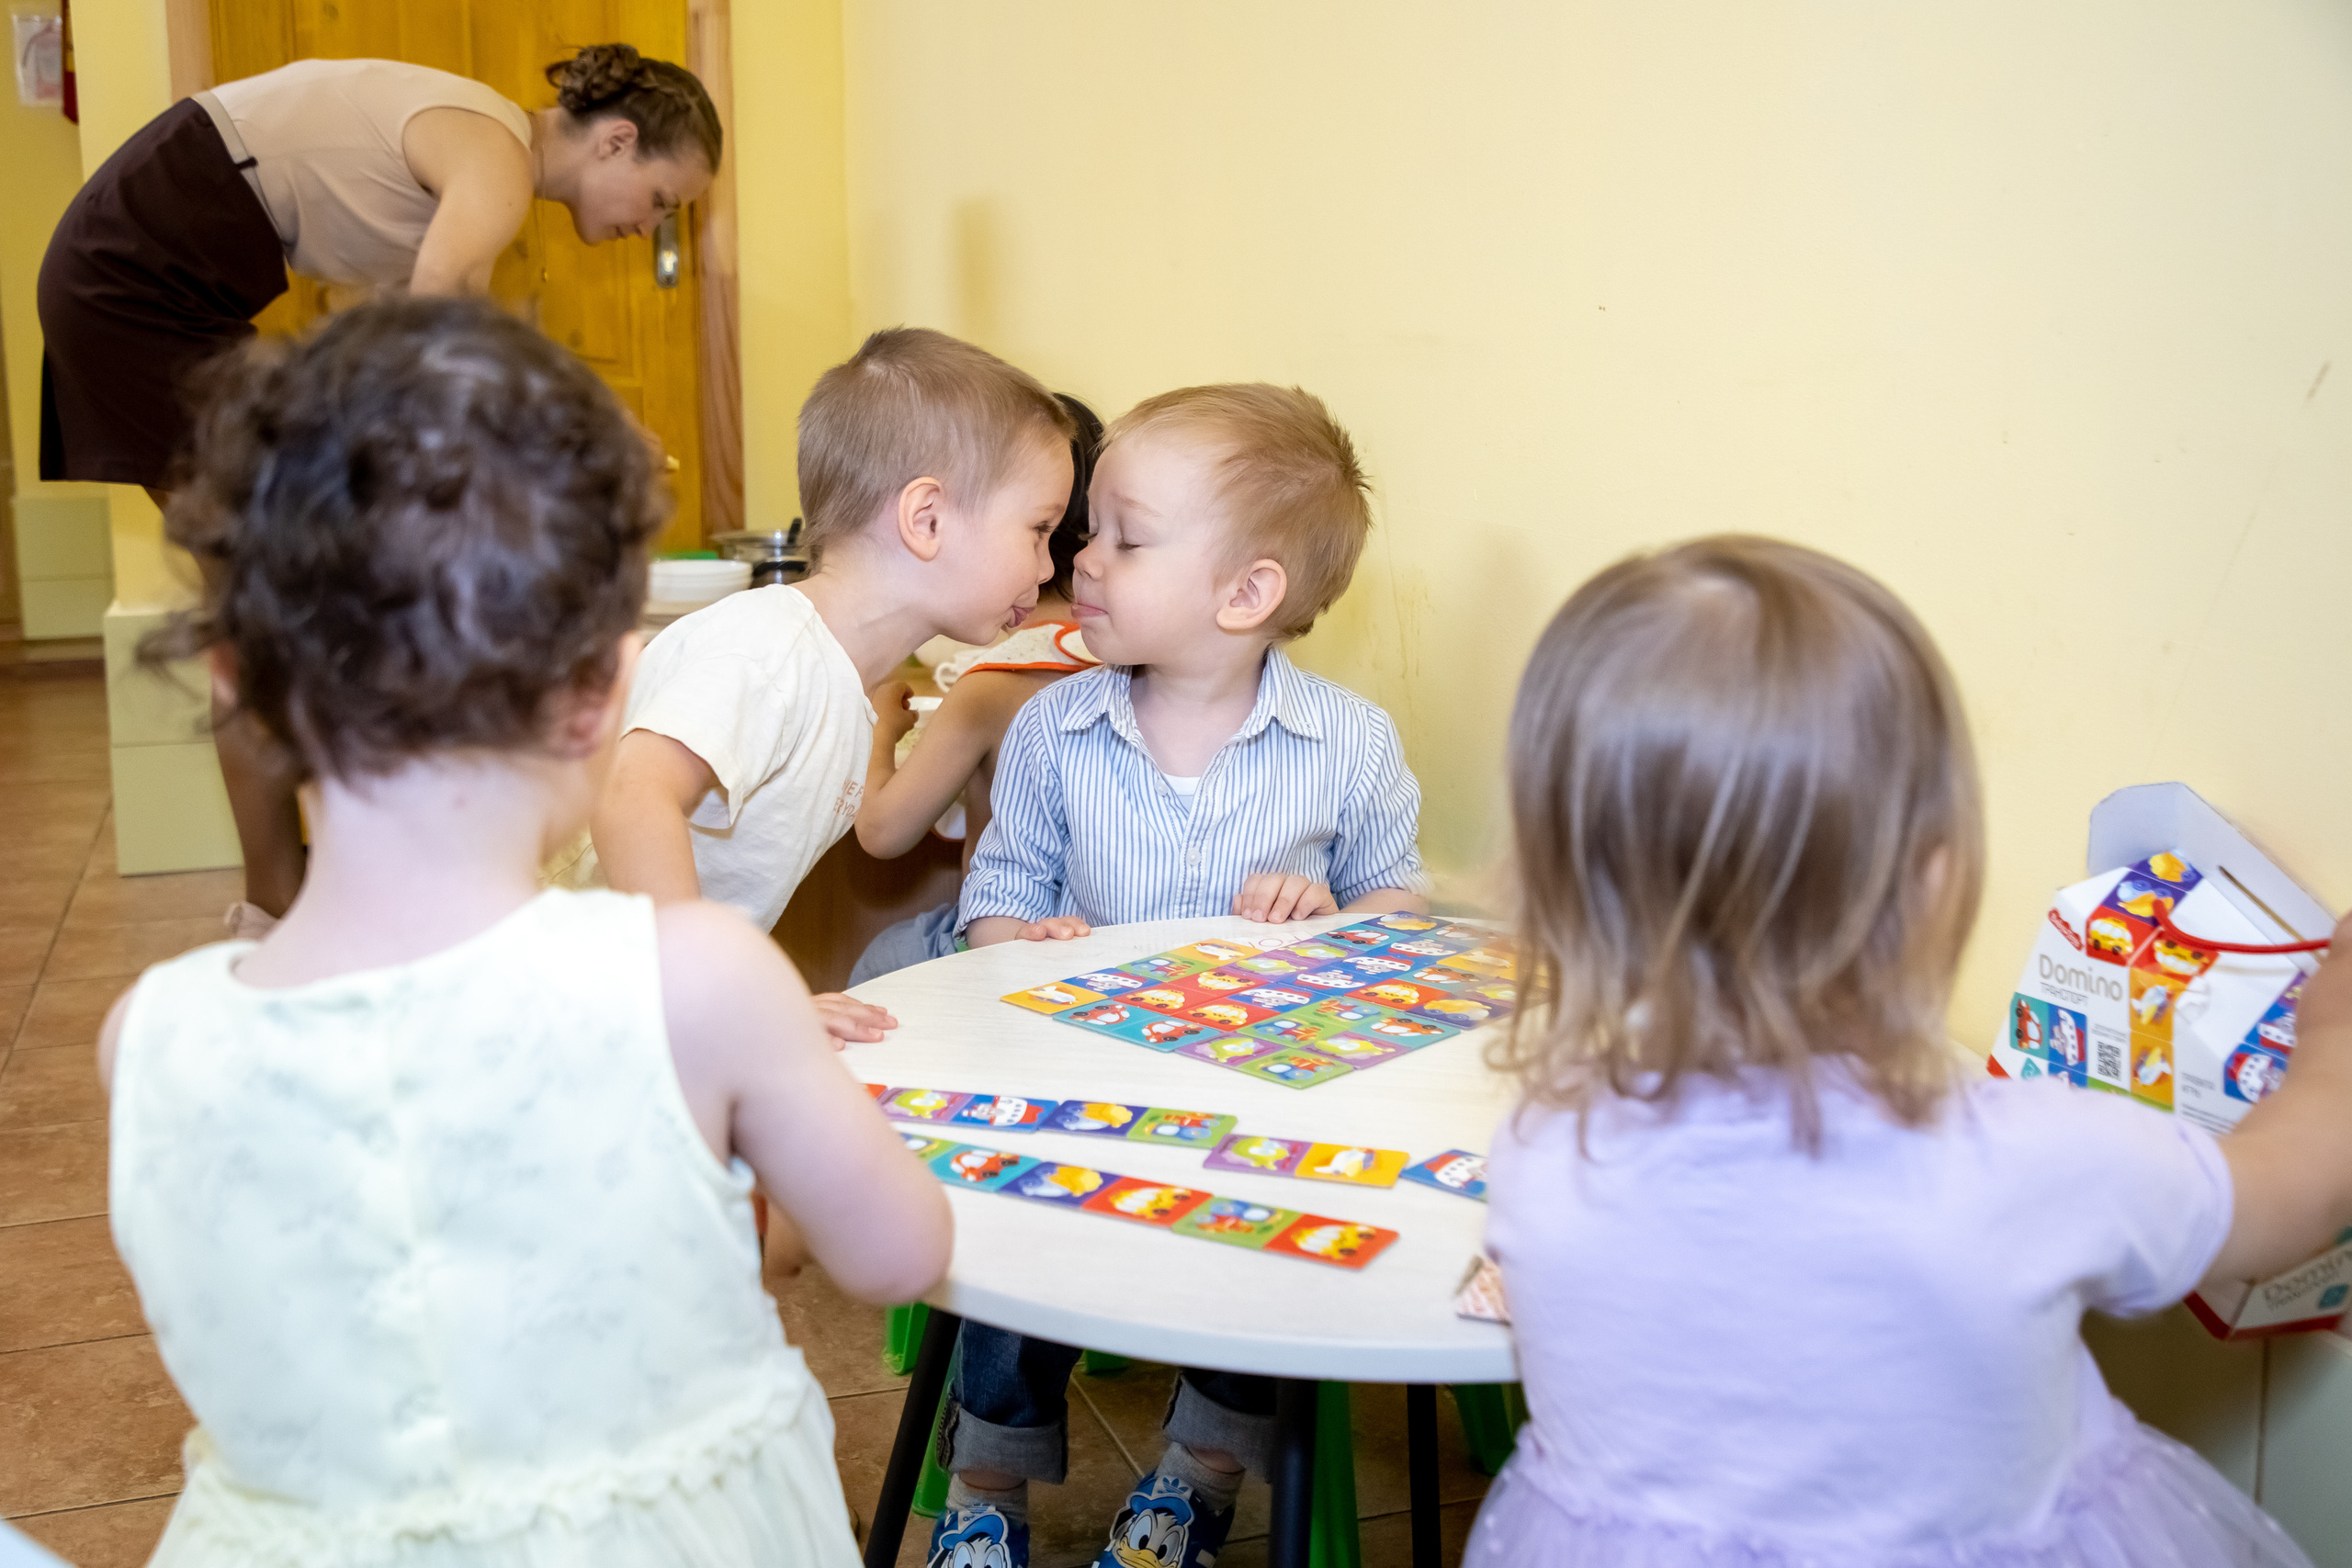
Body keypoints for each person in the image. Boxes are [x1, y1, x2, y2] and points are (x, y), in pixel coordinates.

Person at [97, 297, 950, 1566]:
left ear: (237, 683)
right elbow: (897, 1251)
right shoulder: (701, 978)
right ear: (602, 687)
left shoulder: (144, 1035)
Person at [1464, 535, 2343, 1566]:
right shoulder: (2029, 1157)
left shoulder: (1547, 1152)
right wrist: (2332, 1033)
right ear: (1931, 881)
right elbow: (2296, 1191)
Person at [38, 42, 722, 935]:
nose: (652, 226)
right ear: (615, 141)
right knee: (271, 607)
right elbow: (440, 321)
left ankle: (294, 902)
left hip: (149, 278)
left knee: (279, 604)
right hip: (136, 282)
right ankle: (281, 912)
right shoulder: (497, 157)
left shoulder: (484, 157)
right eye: (663, 200)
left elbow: (425, 330)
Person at [931, 384, 1430, 1568]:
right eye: (1086, 528)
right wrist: (1020, 937)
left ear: (1247, 592)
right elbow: (991, 901)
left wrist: (1335, 917)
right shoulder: (1055, 731)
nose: (1082, 559)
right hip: (1069, 1092)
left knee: (1266, 1265)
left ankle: (1193, 1477)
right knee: (1013, 1259)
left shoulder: (1348, 741)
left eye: (1124, 536)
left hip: (1257, 1110)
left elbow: (1399, 910)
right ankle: (983, 1486)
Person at [583, 327, 1077, 1042]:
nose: (1045, 567)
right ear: (927, 518)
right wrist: (713, 997)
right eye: (1039, 530)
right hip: (583, 1004)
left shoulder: (841, 679)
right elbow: (631, 793)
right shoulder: (769, 650)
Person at [845, 393, 1105, 986]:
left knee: (880, 961)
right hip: (1115, 942)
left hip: (1008, 950)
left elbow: (882, 831)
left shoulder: (995, 686)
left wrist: (882, 726)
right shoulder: (1146, 662)